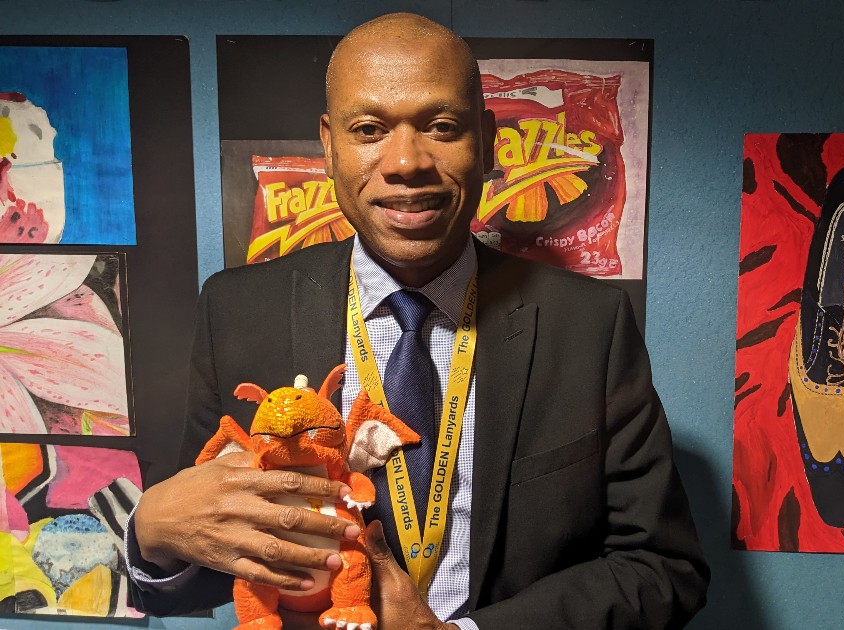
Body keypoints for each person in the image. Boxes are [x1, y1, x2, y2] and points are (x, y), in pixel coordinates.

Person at [127, 12, 708, 629]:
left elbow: (663, 568)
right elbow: (199, 569)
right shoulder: (238, 312)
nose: (406, 161)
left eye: (442, 126)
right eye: (370, 128)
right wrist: (152, 532)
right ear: (329, 145)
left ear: (483, 140)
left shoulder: (589, 326)